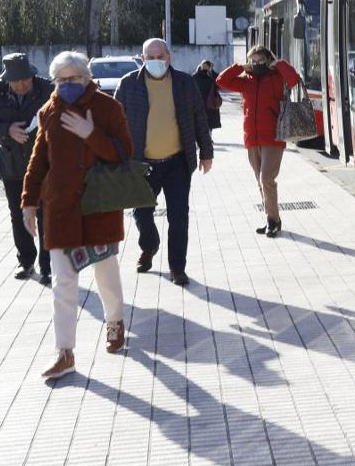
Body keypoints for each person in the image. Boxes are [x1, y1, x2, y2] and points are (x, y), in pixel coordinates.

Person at [21, 51, 131, 380]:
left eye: (73, 79)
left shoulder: (109, 108)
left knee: (105, 277)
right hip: (61, 211)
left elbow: (124, 153)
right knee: (63, 284)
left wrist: (90, 134)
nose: (67, 85)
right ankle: (64, 352)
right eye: (61, 80)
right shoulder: (49, 111)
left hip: (98, 207)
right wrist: (28, 201)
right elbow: (38, 160)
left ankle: (114, 322)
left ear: (86, 78)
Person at [115, 38, 213, 286]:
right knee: (141, 214)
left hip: (177, 163)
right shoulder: (128, 85)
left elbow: (199, 117)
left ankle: (177, 268)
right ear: (142, 58)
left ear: (169, 57)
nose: (156, 61)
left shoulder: (184, 83)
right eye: (150, 57)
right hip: (141, 164)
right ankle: (149, 245)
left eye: (161, 56)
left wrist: (206, 152)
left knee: (179, 217)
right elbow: (114, 124)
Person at [0, 53, 55, 285]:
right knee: (19, 214)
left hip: (43, 164)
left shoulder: (47, 89)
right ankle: (26, 260)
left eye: (26, 79)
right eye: (17, 81)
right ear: (6, 79)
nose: (23, 84)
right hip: (11, 164)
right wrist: (6, 129)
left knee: (44, 214)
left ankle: (48, 265)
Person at [216, 45, 300, 237]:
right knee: (260, 182)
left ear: (268, 59)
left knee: (266, 179)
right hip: (252, 137)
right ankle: (272, 219)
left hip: (273, 136)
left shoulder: (277, 76)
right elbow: (221, 81)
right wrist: (239, 67)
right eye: (253, 61)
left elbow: (295, 80)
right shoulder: (246, 81)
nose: (256, 64)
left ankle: (272, 220)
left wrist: (280, 64)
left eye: (260, 60)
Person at [193, 60, 222, 130]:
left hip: (210, 102)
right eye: (203, 64)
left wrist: (212, 71)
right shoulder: (195, 76)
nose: (205, 66)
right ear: (200, 65)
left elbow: (220, 82)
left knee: (209, 123)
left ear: (209, 67)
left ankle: (209, 138)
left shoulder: (211, 76)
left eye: (207, 65)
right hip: (199, 102)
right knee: (199, 122)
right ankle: (201, 138)